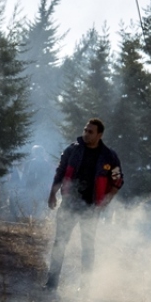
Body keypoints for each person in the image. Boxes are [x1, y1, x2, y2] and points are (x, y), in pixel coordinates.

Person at [45, 118, 123, 289]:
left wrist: (106, 201)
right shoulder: (72, 150)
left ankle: (85, 287)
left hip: (91, 208)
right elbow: (60, 173)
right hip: (69, 205)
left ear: (99, 135)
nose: (86, 134)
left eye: (90, 132)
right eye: (85, 130)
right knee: (60, 243)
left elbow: (117, 181)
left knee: (87, 248)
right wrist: (52, 194)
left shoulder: (109, 156)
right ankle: (51, 284)